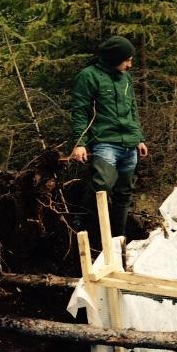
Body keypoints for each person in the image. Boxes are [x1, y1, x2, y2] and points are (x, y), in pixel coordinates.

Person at [70, 35, 148, 235]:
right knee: (103, 184)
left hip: (129, 144)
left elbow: (132, 109)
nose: (130, 65)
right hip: (105, 142)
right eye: (127, 60)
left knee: (124, 193)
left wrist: (139, 138)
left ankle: (118, 238)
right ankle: (80, 222)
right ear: (115, 58)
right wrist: (80, 143)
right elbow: (80, 111)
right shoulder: (88, 76)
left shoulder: (126, 78)